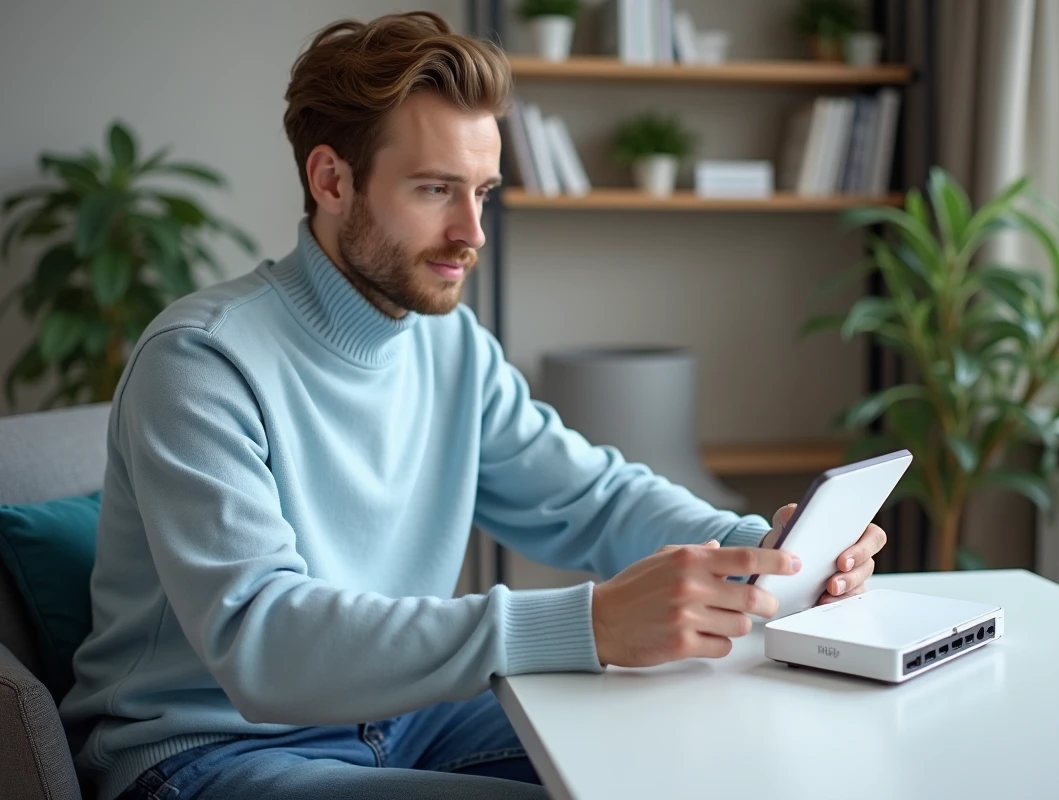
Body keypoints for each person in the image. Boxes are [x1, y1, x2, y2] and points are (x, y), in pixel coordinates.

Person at [59, 11, 887, 800]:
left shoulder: (445, 345)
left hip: (401, 722)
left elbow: (592, 499)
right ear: (331, 179)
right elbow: (265, 642)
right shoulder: (202, 362)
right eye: (434, 190)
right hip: (207, 754)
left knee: (701, 752)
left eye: (483, 192)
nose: (473, 232)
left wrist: (772, 550)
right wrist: (588, 624)